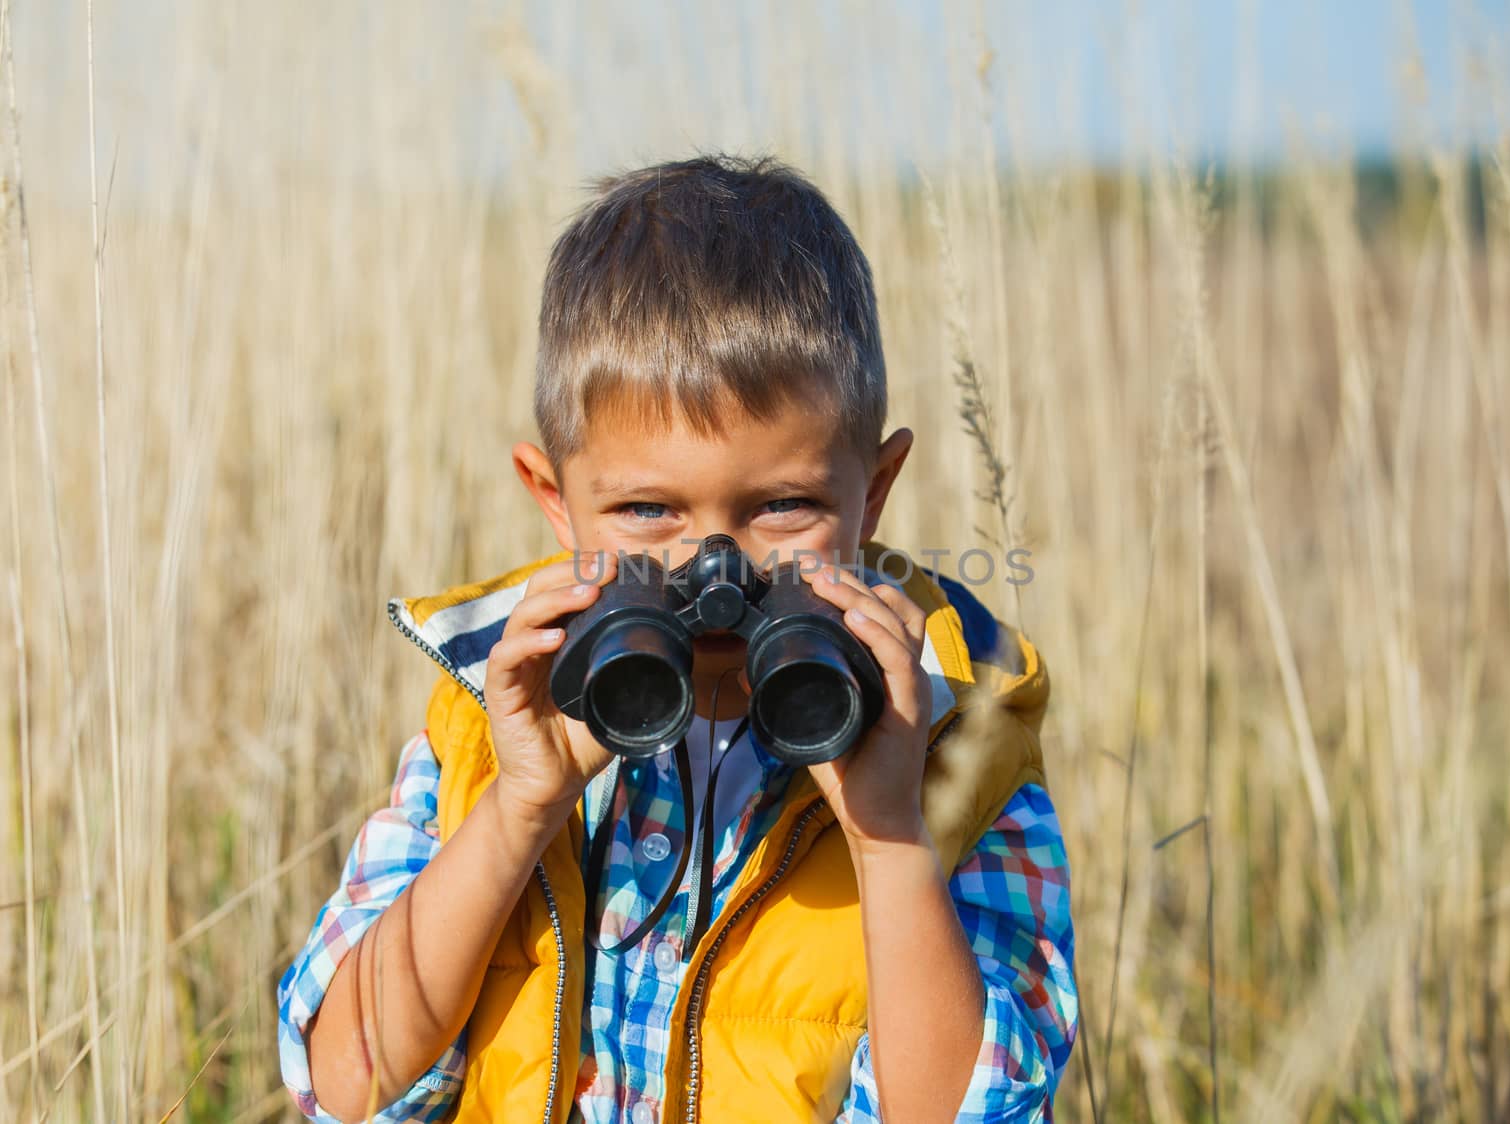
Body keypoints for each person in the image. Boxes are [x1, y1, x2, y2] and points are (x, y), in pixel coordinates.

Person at [276, 153, 1078, 1123]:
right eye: (648, 509)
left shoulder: (959, 750)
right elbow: (345, 1085)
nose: (716, 572)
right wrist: (518, 808)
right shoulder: (486, 721)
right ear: (555, 501)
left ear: (872, 493)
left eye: (781, 505)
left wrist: (893, 835)